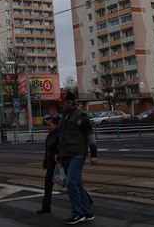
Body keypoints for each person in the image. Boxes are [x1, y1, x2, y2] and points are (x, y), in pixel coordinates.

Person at [56, 91, 98, 224]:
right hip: (67, 154)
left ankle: (77, 213)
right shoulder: (65, 116)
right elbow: (61, 137)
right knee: (78, 184)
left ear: (70, 102)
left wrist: (94, 155)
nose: (61, 105)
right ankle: (87, 211)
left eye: (63, 103)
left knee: (70, 183)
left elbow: (90, 136)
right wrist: (58, 152)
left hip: (77, 154)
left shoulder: (80, 116)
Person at [37, 115, 60, 214]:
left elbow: (63, 146)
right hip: (51, 164)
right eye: (47, 125)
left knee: (73, 184)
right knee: (48, 185)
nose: (48, 127)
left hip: (60, 164)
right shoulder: (50, 135)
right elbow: (48, 150)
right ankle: (46, 207)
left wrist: (58, 154)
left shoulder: (60, 134)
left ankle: (87, 200)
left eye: (50, 125)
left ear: (55, 125)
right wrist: (45, 161)